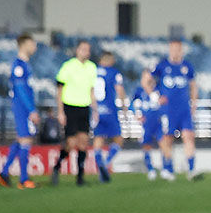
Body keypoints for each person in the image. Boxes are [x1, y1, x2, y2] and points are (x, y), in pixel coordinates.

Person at [145, 39, 199, 180]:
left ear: (181, 50)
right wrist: (155, 96)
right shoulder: (162, 66)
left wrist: (194, 103)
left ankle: (191, 170)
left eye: (178, 49)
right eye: (173, 49)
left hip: (184, 109)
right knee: (168, 139)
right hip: (168, 110)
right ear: (169, 50)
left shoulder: (187, 66)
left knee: (188, 136)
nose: (175, 52)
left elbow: (193, 85)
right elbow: (146, 81)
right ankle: (167, 168)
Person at [0, 33, 40, 188]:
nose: (35, 47)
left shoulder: (24, 65)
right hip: (22, 107)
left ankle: (4, 173)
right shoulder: (19, 66)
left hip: (22, 107)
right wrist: (31, 110)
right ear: (25, 44)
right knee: (26, 140)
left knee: (21, 139)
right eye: (32, 43)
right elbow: (21, 90)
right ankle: (23, 179)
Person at [54, 41, 98, 186]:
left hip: (84, 108)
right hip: (70, 107)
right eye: (83, 49)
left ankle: (80, 177)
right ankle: (57, 166)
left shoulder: (92, 67)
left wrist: (95, 109)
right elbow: (59, 90)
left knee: (83, 142)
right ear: (77, 50)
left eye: (88, 50)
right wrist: (60, 111)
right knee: (71, 142)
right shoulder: (68, 66)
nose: (86, 52)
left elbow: (92, 90)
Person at [89, 50, 125, 183]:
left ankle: (100, 165)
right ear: (109, 60)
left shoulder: (93, 72)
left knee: (98, 139)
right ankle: (106, 161)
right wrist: (125, 108)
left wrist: (94, 109)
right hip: (110, 111)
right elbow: (120, 90)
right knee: (119, 139)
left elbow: (91, 92)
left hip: (97, 111)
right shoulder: (114, 72)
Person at [132, 72, 170, 180]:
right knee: (146, 146)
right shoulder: (139, 91)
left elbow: (162, 102)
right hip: (146, 124)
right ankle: (150, 169)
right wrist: (137, 115)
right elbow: (133, 105)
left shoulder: (158, 89)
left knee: (164, 144)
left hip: (158, 122)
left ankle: (166, 169)